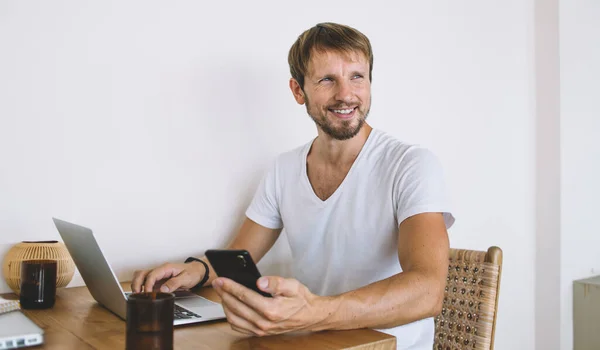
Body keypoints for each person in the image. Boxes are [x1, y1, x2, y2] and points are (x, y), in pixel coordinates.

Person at [131, 22, 455, 350]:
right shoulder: (284, 169)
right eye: (328, 79)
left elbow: (428, 290)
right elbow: (239, 257)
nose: (346, 94)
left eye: (357, 76)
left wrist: (313, 312)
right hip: (311, 342)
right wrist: (196, 270)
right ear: (298, 91)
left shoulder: (411, 165)